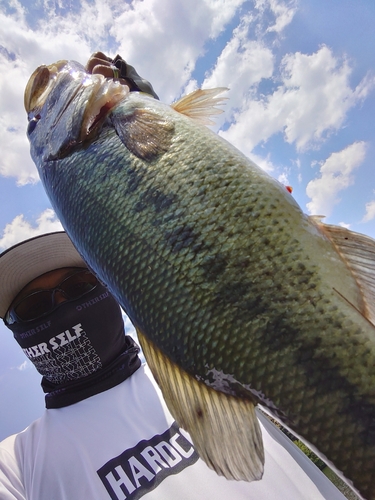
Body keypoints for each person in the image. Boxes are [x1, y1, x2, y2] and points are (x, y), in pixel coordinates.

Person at [0, 55, 347, 500]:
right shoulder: (18, 467)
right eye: (32, 307)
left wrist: (160, 135)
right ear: (14, 332)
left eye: (78, 287)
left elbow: (230, 257)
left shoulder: (227, 365)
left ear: (112, 284)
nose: (61, 306)